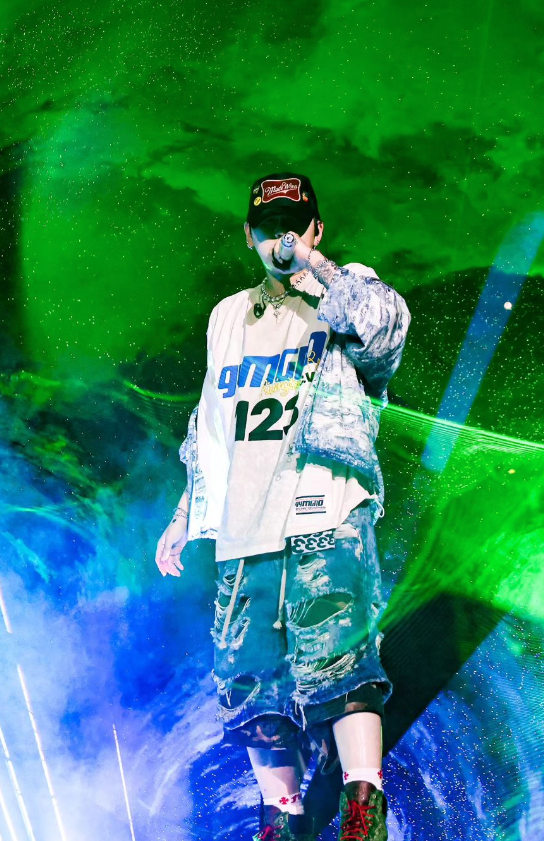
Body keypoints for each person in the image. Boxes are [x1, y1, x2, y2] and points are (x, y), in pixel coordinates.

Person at [155, 172, 410, 841]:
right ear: (249, 236)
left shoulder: (347, 289)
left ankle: (363, 805)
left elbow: (385, 334)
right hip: (245, 523)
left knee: (338, 653)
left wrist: (318, 269)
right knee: (248, 677)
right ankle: (282, 814)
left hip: (326, 504)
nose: (283, 240)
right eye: (270, 230)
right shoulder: (227, 317)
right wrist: (185, 514)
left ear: (316, 230)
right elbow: (211, 426)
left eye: (295, 227)